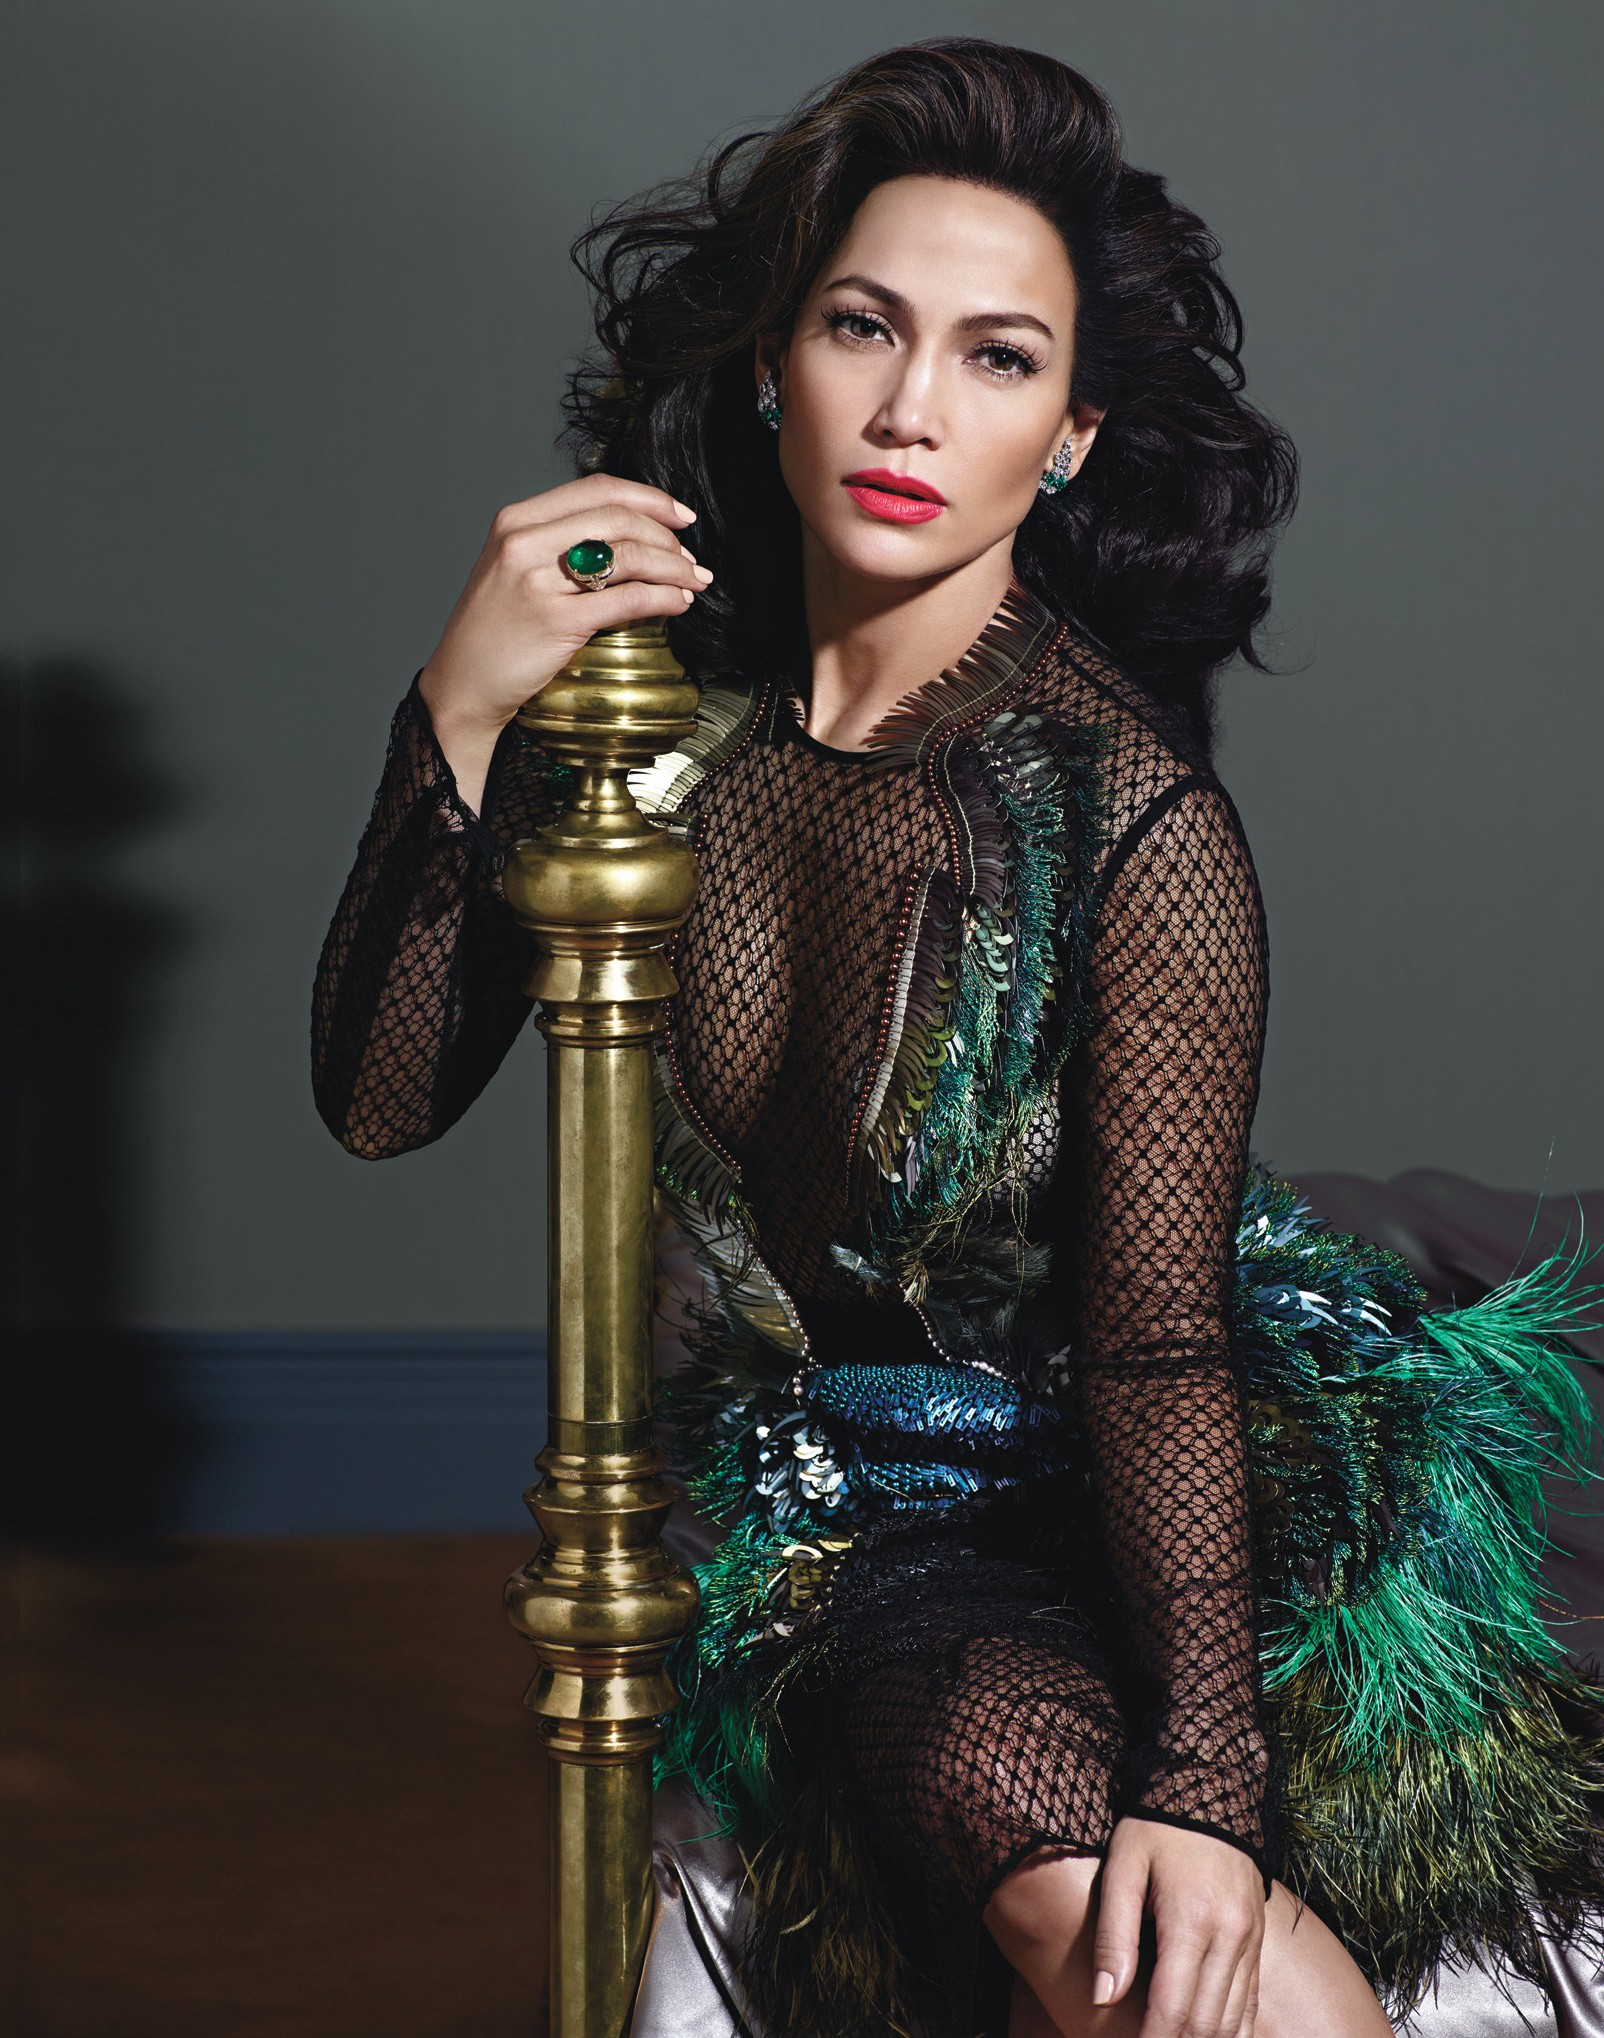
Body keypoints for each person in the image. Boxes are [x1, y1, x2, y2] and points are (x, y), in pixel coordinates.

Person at [311, 38, 1604, 2038]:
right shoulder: (663, 731)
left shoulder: (1126, 818)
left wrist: (1205, 1782)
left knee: (1167, 1926)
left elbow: (1153, 1342)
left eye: (998, 359)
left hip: (1175, 1445)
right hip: (863, 1510)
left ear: (1068, 437)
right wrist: (460, 712)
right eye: (863, 326)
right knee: (1026, 1811)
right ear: (772, 363)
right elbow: (385, 1100)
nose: (913, 405)